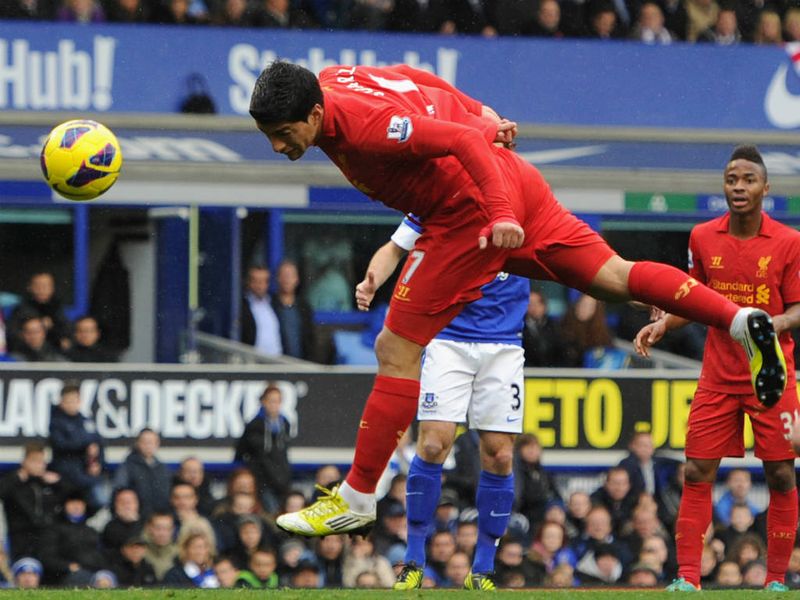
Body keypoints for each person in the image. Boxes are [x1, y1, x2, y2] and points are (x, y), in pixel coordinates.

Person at [250, 61, 785, 540]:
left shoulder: (365, 128)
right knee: (615, 276)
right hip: (512, 182)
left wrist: (500, 209)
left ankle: (358, 498)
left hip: (470, 212)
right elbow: (422, 81)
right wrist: (485, 115)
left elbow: (461, 145)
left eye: (283, 133)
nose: (278, 146)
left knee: (396, 346)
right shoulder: (336, 78)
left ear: (315, 113)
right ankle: (739, 319)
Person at [634, 145, 800, 592]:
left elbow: (799, 307)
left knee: (782, 473)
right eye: (731, 180)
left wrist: (773, 323)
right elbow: (697, 297)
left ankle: (777, 581)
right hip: (718, 376)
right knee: (696, 471)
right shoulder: (702, 237)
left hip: (772, 374)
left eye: (747, 180)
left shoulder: (789, 242)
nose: (738, 187)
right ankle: (687, 579)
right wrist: (664, 324)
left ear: (766, 187)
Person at [349, 214, 529, 590]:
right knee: (432, 444)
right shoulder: (443, 199)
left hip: (504, 346)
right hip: (448, 339)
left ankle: (482, 568)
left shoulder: (528, 203)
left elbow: (581, 260)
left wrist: (639, 296)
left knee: (500, 455)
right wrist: (372, 281)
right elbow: (395, 246)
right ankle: (413, 560)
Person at [234, 383, 293, 513]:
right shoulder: (254, 425)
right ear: (263, 401)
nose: (274, 405)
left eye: (277, 401)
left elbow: (283, 454)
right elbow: (242, 450)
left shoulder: (285, 424)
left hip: (282, 480)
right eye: (271, 401)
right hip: (263, 480)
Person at [48, 382, 106, 510]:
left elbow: (98, 444)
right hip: (66, 475)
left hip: (87, 473)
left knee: (102, 500)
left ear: (80, 401)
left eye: (74, 400)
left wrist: (97, 463)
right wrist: (85, 446)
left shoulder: (86, 420)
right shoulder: (56, 422)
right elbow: (61, 444)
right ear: (61, 401)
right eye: (68, 400)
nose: (71, 404)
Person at [0, 442, 62, 561]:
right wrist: (17, 478)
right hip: (20, 538)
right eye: (36, 461)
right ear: (25, 462)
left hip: (45, 539)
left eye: (42, 462)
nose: (40, 466)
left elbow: (72, 497)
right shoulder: (13, 481)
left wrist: (58, 483)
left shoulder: (45, 483)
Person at [113, 428, 172, 519]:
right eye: (144, 442)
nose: (148, 445)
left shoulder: (162, 467)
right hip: (136, 518)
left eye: (152, 442)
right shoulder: (127, 466)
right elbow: (120, 491)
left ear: (157, 444)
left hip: (159, 516)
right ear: (137, 443)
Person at [7, 271, 71, 353]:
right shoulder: (21, 310)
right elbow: (12, 335)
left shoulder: (58, 308)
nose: (41, 289)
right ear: (29, 287)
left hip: (53, 355)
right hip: (26, 356)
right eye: (37, 285)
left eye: (45, 286)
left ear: (52, 288)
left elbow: (67, 335)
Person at [271, 259, 316, 361]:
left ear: (297, 279)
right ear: (277, 278)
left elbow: (310, 338)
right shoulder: (270, 305)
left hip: (301, 365)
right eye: (284, 275)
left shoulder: (304, 307)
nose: (287, 280)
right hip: (276, 364)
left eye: (290, 275)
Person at [240, 265, 282, 356]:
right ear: (248, 282)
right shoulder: (242, 306)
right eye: (255, 281)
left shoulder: (274, 303)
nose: (259, 285)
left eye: (263, 281)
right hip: (253, 362)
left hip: (277, 362)